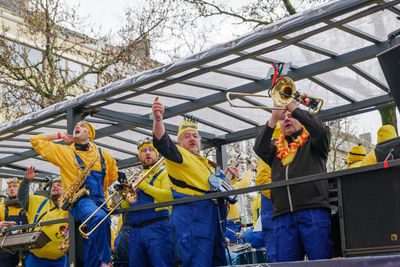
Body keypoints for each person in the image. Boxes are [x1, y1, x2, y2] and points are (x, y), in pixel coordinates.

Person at [152, 97, 237, 267]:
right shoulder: (178, 155)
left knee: (217, 262)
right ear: (179, 143)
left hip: (212, 218)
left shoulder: (206, 163)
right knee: (197, 262)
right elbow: (162, 142)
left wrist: (228, 177)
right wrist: (158, 119)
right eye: (186, 136)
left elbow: (214, 186)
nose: (192, 139)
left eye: (195, 136)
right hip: (193, 217)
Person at [30, 120, 118, 267]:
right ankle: (107, 261)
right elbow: (35, 140)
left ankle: (99, 261)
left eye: (82, 126)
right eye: (76, 125)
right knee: (99, 218)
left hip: (101, 200)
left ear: (90, 134)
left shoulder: (104, 154)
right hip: (79, 201)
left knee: (95, 242)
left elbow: (113, 176)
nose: (77, 126)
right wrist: (59, 134)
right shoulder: (64, 152)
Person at [253, 100, 332, 262]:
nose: (287, 119)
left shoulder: (313, 142)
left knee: (321, 262)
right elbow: (259, 147)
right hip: (283, 216)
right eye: (284, 118)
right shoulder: (276, 147)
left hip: (312, 211)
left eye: (291, 116)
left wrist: (295, 109)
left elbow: (321, 131)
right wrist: (274, 117)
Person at [127, 137, 174, 267]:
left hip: (157, 227)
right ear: (140, 156)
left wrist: (144, 186)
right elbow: (125, 206)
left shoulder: (164, 173)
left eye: (151, 150)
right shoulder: (137, 177)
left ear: (156, 153)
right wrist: (124, 195)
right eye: (144, 151)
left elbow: (168, 196)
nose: (147, 153)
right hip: (135, 230)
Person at [17, 166, 68, 266]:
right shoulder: (40, 201)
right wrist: (26, 181)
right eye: (53, 185)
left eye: (59, 185)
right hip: (35, 260)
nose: (55, 186)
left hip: (61, 261)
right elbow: (22, 197)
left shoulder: (72, 207)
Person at [0, 178, 29, 266]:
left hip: (26, 244)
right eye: (9, 187)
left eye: (15, 186)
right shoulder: (2, 205)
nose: (11, 189)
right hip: (6, 246)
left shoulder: (28, 204)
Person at [225, 162, 251, 244]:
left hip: (235, 224)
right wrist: (251, 171)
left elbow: (232, 182)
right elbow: (242, 184)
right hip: (230, 225)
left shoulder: (228, 187)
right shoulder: (226, 189)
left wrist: (236, 173)